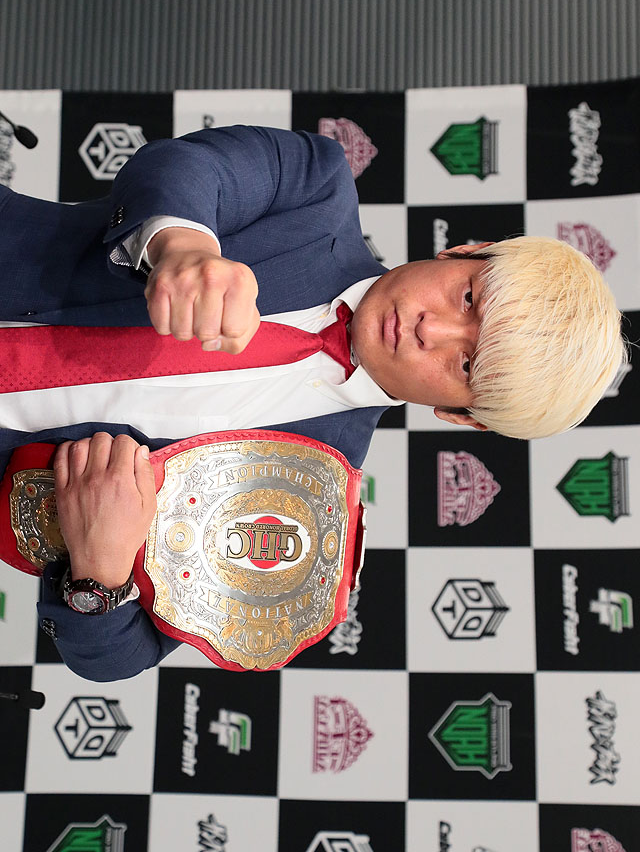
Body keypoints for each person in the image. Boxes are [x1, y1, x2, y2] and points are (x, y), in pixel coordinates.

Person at [0, 125, 625, 680]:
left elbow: (117, 657)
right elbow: (191, 168)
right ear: (464, 252)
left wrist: (100, 571)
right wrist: (184, 245)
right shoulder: (314, 189)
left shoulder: (306, 513)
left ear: (460, 415)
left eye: (465, 364)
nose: (431, 330)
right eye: (468, 300)